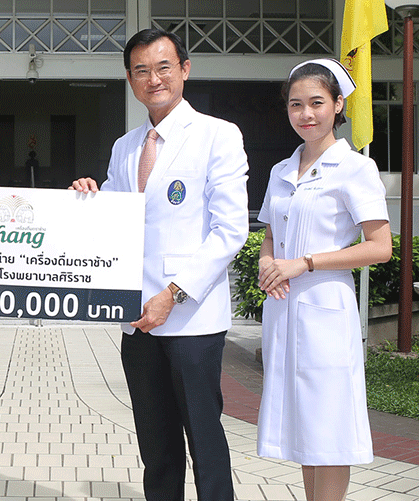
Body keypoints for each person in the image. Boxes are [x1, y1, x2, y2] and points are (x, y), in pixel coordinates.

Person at [71, 28, 248, 500]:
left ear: (184, 70)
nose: (154, 79)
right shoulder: (126, 146)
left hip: (191, 318)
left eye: (164, 67)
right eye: (142, 71)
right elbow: (116, 219)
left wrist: (174, 293)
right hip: (136, 319)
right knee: (156, 445)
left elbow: (230, 231)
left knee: (204, 440)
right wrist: (88, 198)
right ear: (130, 79)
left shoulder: (218, 135)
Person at [256, 59, 392, 501]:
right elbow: (270, 233)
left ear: (338, 105)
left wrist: (306, 263)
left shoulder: (354, 168)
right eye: (296, 104)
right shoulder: (281, 170)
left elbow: (380, 247)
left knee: (328, 428)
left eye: (316, 102)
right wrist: (267, 262)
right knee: (303, 428)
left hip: (326, 310)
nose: (306, 114)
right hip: (283, 309)